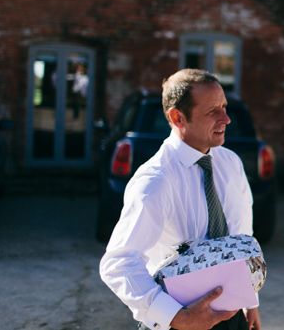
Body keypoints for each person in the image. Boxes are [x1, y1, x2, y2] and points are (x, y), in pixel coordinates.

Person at [99, 69, 261, 330]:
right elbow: (118, 263)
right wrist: (177, 317)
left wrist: (250, 300)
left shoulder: (230, 162)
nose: (226, 119)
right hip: (178, 320)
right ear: (177, 117)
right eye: (213, 112)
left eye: (224, 107)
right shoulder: (155, 180)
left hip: (231, 315)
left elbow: (241, 238)